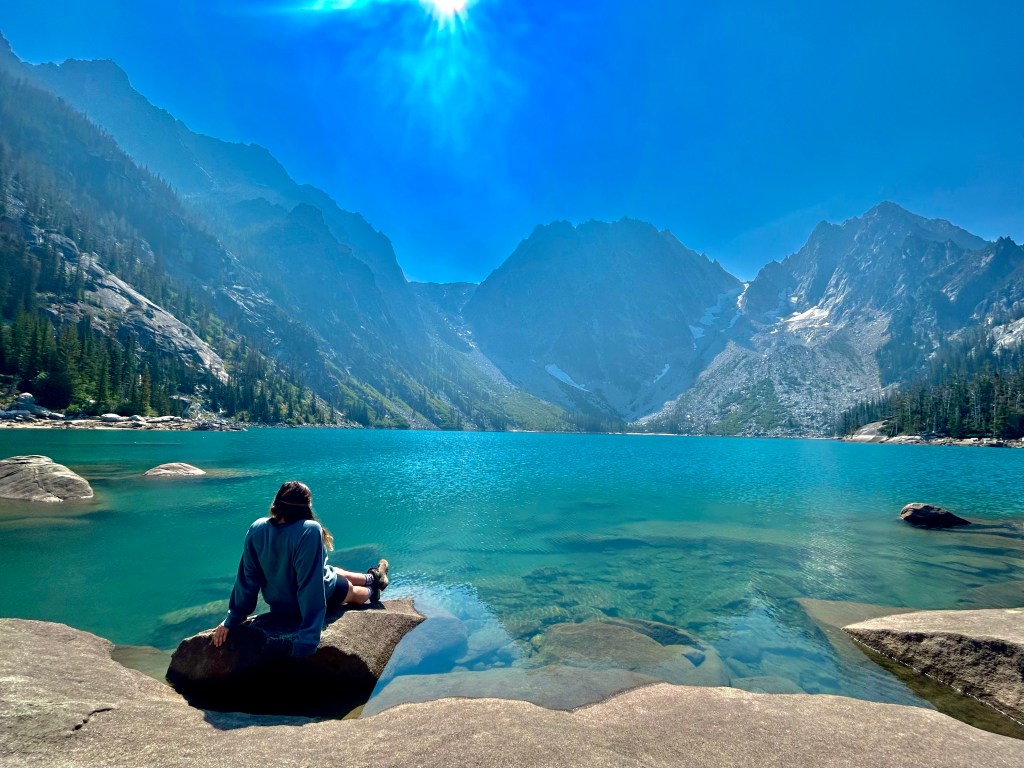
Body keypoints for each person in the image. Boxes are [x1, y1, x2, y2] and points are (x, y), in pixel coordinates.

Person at [210, 481, 389, 657]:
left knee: (329, 570)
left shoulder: (257, 528)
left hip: (281, 606)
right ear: (306, 506)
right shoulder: (309, 530)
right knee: (352, 593)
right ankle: (372, 590)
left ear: (276, 502)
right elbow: (311, 586)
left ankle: (374, 576)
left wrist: (233, 617)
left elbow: (247, 580)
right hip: (315, 600)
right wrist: (308, 638)